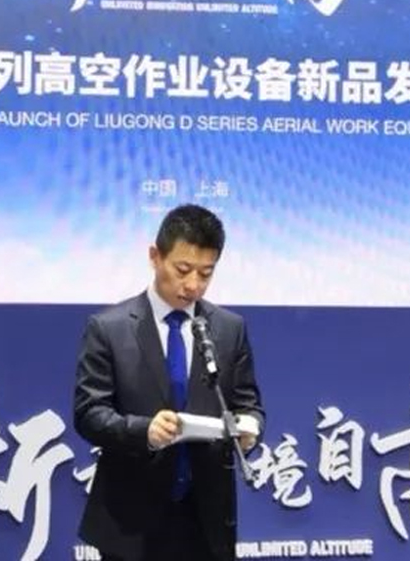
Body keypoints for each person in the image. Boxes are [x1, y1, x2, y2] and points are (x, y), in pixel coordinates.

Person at [74, 203, 265, 561]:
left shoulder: (229, 329)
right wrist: (144, 431)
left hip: (206, 521)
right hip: (130, 521)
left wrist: (249, 429)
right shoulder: (109, 328)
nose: (193, 285)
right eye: (183, 270)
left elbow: (248, 404)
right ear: (155, 257)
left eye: (206, 273)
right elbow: (89, 414)